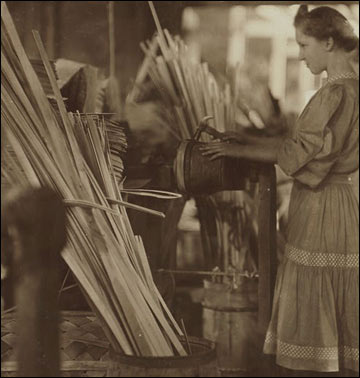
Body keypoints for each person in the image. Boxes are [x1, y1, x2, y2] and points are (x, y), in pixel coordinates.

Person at [200, 5, 359, 375]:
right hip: (344, 203)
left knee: (318, 294)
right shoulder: (350, 90)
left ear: (329, 42)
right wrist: (249, 138)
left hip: (323, 207)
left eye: (304, 45)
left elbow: (297, 153)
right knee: (338, 299)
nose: (300, 55)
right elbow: (305, 143)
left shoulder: (333, 95)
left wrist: (236, 150)